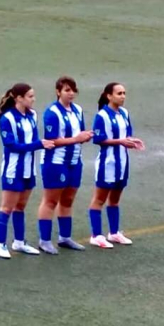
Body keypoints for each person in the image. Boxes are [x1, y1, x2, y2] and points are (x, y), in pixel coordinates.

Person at [0, 84, 55, 259]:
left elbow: (35, 139)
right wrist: (39, 144)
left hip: (29, 169)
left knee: (20, 206)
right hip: (13, 170)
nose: (33, 99)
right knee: (7, 207)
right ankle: (0, 244)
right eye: (30, 96)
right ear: (19, 98)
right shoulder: (7, 119)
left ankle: (19, 242)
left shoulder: (32, 115)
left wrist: (41, 143)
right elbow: (11, 145)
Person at [38, 77, 93, 254]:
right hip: (55, 162)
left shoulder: (78, 110)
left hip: (74, 161)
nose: (70, 94)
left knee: (68, 200)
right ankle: (44, 240)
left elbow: (80, 133)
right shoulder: (52, 112)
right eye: (67, 90)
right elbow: (51, 140)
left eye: (72, 90)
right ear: (58, 91)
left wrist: (84, 137)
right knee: (51, 201)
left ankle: (65, 237)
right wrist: (76, 139)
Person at [88, 82, 145, 248]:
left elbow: (127, 134)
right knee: (99, 199)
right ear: (109, 96)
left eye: (124, 93)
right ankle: (96, 235)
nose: (123, 96)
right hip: (108, 163)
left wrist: (133, 141)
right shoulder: (102, 116)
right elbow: (98, 139)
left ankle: (113, 233)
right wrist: (120, 141)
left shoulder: (124, 113)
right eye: (119, 93)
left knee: (115, 199)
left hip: (123, 161)